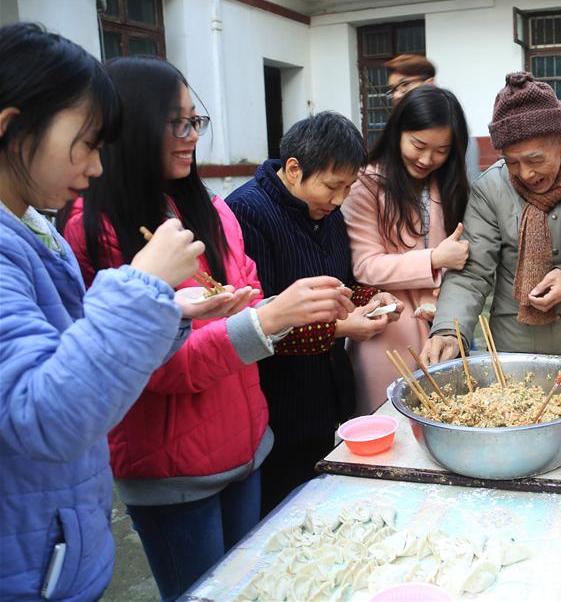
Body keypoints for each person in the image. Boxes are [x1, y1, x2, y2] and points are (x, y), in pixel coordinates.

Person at [61, 57, 355, 602]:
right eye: (175, 123)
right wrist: (264, 319)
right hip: (171, 467)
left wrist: (269, 313)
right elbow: (153, 365)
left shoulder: (212, 211)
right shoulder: (93, 230)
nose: (189, 136)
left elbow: (245, 304)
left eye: (194, 122)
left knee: (252, 587)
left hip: (245, 446)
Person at [0, 24, 207, 600]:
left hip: (57, 550)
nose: (95, 166)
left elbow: (82, 362)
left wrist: (168, 308)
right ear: (12, 129)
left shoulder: (36, 230)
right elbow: (47, 414)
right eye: (87, 142)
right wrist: (144, 286)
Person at [226, 112, 402, 516]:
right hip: (280, 402)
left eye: (348, 187)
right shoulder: (248, 213)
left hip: (329, 394)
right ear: (293, 169)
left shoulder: (327, 213)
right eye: (332, 186)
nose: (339, 199)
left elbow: (341, 284)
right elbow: (258, 322)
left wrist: (373, 297)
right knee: (286, 513)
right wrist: (343, 327)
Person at [420, 71, 561, 365]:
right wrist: (448, 331)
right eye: (512, 162)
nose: (526, 174)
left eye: (535, 159)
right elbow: (471, 271)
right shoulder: (490, 188)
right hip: (515, 348)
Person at [342, 86, 470, 413]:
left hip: (438, 325)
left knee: (448, 419)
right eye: (418, 145)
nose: (428, 159)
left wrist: (440, 295)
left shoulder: (449, 183)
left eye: (441, 150)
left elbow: (465, 263)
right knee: (390, 424)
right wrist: (434, 260)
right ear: (397, 131)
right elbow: (365, 265)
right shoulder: (366, 184)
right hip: (388, 332)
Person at [384, 54, 482, 182]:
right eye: (393, 89)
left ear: (429, 84)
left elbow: (469, 183)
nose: (396, 95)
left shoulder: (452, 126)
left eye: (404, 84)